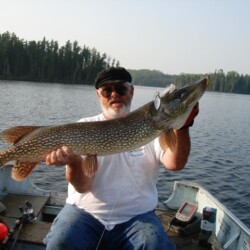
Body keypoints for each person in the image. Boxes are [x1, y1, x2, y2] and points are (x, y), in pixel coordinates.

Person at [43, 67, 198, 250]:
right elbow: (83, 186)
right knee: (60, 242)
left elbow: (175, 163)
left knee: (155, 245)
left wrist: (183, 127)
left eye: (121, 89)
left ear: (131, 91)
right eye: (107, 90)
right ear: (98, 95)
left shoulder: (155, 126)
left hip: (138, 218)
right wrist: (74, 162)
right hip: (84, 214)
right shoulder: (83, 127)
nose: (114, 94)